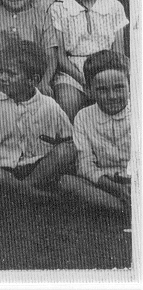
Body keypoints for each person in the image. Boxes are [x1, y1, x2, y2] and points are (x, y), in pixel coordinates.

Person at [0, 39, 75, 199]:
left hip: (36, 168)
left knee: (67, 149)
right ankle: (34, 194)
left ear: (33, 80)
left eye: (11, 73)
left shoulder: (49, 106)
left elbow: (68, 140)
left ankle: (25, 189)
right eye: (0, 71)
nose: (2, 77)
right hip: (1, 169)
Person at [49, 0, 128, 120]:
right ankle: (71, 142)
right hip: (73, 71)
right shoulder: (59, 8)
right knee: (67, 101)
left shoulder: (114, 6)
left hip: (107, 69)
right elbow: (60, 57)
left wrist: (102, 80)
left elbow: (119, 52)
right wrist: (84, 81)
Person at [59, 51, 130, 213]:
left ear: (130, 84)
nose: (112, 96)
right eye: (102, 90)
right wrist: (114, 187)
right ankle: (127, 208)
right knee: (67, 182)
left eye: (119, 88)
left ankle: (124, 207)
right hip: (105, 183)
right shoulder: (83, 117)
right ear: (88, 90)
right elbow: (84, 164)